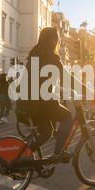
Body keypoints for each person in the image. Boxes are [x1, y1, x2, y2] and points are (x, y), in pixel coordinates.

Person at [18, 27, 73, 163]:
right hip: (41, 104)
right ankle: (58, 153)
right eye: (57, 39)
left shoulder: (35, 55)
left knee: (47, 133)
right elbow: (68, 78)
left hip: (26, 105)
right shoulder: (51, 57)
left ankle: (23, 158)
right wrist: (89, 91)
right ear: (54, 40)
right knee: (68, 118)